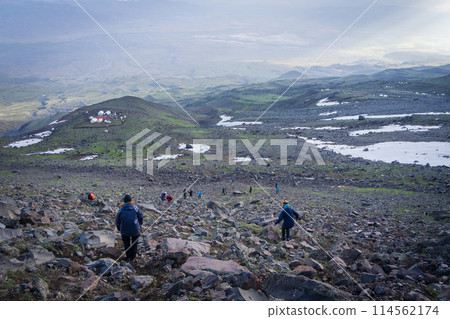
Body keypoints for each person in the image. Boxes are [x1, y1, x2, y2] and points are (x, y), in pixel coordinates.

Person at [115, 195, 143, 261]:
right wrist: (140, 225)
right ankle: (133, 256)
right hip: (135, 229)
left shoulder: (121, 209)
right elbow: (140, 217)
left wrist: (119, 228)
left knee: (126, 243)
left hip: (124, 230)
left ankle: (129, 257)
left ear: (124, 201)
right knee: (134, 243)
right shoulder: (135, 208)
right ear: (131, 201)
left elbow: (117, 220)